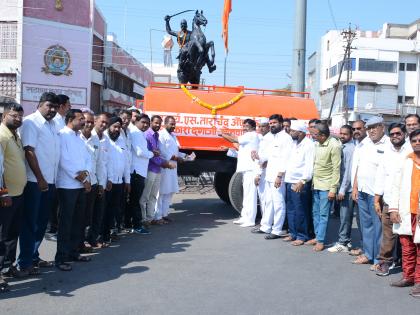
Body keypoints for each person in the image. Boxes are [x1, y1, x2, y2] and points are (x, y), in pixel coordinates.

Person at [17, 92, 60, 276]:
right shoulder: (30, 122)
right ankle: (25, 262)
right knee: (30, 223)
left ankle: (33, 256)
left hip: (50, 181)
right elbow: (29, 151)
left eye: (55, 107)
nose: (52, 110)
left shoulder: (52, 124)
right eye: (49, 105)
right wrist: (41, 178)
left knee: (42, 222)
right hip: (35, 182)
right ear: (39, 104)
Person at [55, 109, 92, 271]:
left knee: (78, 221)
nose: (84, 122)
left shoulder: (79, 138)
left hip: (80, 185)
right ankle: (61, 257)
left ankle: (73, 252)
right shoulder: (62, 135)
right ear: (70, 119)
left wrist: (87, 176)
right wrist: (82, 178)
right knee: (66, 223)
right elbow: (64, 160)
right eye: (81, 119)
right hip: (67, 185)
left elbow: (87, 159)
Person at [373, 123, 412, 276]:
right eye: (393, 134)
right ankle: (385, 262)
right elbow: (381, 176)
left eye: (398, 133)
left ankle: (408, 266)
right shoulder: (387, 153)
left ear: (405, 134)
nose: (395, 136)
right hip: (388, 200)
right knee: (388, 235)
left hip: (407, 202)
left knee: (407, 236)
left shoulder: (411, 151)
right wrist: (377, 199)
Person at [351, 116, 389, 267]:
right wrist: (355, 187)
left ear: (382, 127)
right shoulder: (364, 143)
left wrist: (379, 196)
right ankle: (368, 254)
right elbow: (359, 167)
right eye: (369, 127)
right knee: (366, 225)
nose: (372, 130)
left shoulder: (388, 144)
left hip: (377, 194)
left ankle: (379, 259)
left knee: (379, 227)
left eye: (375, 127)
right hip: (362, 190)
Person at [388, 129, 420, 298]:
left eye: (419, 140)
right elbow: (396, 186)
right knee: (407, 247)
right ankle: (408, 277)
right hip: (406, 212)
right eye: (414, 140)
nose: (417, 143)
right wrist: (393, 209)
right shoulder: (405, 161)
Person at [0, 101, 27, 290]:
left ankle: (7, 267)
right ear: (3, 115)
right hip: (6, 195)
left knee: (12, 233)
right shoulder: (1, 135)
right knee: (2, 235)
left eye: (20, 116)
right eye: (14, 115)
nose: (18, 119)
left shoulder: (15, 135)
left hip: (18, 193)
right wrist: (3, 193)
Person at [253, 114, 292, 238]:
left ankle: (277, 229)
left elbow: (286, 159)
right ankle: (266, 227)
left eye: (274, 123)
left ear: (281, 123)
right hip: (269, 174)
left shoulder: (286, 138)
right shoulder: (270, 137)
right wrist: (257, 157)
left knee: (278, 202)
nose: (272, 125)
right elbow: (267, 157)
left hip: (278, 176)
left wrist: (279, 176)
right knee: (268, 202)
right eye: (270, 123)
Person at [219, 119, 260, 227]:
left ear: (253, 127)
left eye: (247, 126)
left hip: (251, 170)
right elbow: (240, 154)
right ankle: (244, 217)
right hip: (245, 170)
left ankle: (250, 220)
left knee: (250, 196)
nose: (244, 127)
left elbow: (235, 139)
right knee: (246, 195)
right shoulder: (248, 137)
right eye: (243, 125)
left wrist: (222, 134)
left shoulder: (251, 135)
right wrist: (228, 149)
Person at [308, 122, 341, 251]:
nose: (313, 136)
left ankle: (321, 240)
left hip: (326, 186)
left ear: (323, 135)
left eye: (315, 134)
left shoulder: (334, 145)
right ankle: (317, 236)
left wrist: (333, 189)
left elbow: (336, 168)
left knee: (323, 214)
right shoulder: (317, 144)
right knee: (315, 212)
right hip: (315, 184)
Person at [154, 116, 191, 224]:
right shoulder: (161, 135)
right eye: (171, 124)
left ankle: (165, 214)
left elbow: (176, 151)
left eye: (174, 124)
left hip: (173, 167)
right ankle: (157, 216)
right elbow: (163, 152)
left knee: (169, 191)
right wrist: (176, 158)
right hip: (165, 166)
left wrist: (186, 156)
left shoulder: (173, 136)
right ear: (165, 124)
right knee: (161, 192)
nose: (173, 126)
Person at [283, 120, 314, 245]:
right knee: (291, 209)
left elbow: (309, 165)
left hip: (299, 182)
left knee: (300, 209)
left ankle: (302, 235)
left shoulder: (308, 145)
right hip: (289, 180)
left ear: (300, 132)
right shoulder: (294, 143)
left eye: (292, 130)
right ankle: (293, 233)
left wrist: (302, 181)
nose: (290, 132)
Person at [80, 110, 106, 250]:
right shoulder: (76, 137)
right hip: (79, 184)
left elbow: (100, 163)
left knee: (90, 215)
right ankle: (79, 242)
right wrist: (84, 181)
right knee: (80, 216)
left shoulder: (96, 139)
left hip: (94, 183)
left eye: (90, 121)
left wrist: (101, 184)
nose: (88, 124)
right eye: (86, 121)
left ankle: (88, 240)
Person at [140, 115, 174, 226]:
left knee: (154, 196)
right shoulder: (147, 135)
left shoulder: (157, 135)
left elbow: (157, 152)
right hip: (150, 169)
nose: (158, 125)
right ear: (151, 123)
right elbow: (151, 154)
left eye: (159, 123)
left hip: (157, 170)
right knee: (145, 196)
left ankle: (150, 218)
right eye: (155, 123)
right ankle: (143, 219)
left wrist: (162, 162)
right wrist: (164, 163)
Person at [103, 117, 131, 245]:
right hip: (107, 182)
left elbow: (126, 162)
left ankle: (109, 232)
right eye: (114, 126)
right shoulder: (104, 139)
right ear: (109, 126)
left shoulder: (121, 140)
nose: (117, 129)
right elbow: (103, 162)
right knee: (104, 210)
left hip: (119, 182)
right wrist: (108, 178)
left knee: (114, 209)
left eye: (119, 127)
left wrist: (128, 181)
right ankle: (101, 235)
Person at [328, 125, 355, 253]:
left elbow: (348, 171)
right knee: (345, 217)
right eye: (341, 133)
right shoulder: (342, 146)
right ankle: (347, 240)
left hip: (347, 189)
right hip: (343, 187)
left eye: (345, 134)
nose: (342, 136)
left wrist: (342, 190)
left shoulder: (349, 149)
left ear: (350, 135)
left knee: (345, 217)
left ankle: (343, 242)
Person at [128, 114, 154, 234]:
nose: (145, 125)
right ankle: (137, 225)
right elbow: (140, 152)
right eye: (143, 122)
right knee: (135, 200)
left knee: (134, 200)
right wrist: (152, 154)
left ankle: (130, 224)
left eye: (147, 124)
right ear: (136, 121)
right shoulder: (136, 133)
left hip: (139, 171)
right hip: (136, 171)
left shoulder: (139, 133)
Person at [90, 113, 110, 247]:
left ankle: (94, 239)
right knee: (89, 215)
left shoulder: (106, 138)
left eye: (106, 123)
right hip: (91, 182)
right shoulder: (89, 136)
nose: (103, 125)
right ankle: (87, 240)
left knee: (99, 213)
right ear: (95, 120)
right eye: (102, 122)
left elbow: (105, 162)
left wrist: (107, 180)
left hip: (102, 182)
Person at [253, 118, 272, 217]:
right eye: (259, 126)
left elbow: (265, 159)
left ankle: (266, 222)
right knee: (262, 197)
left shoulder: (269, 138)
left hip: (265, 172)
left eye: (263, 126)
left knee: (266, 198)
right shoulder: (262, 138)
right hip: (261, 171)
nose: (261, 128)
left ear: (268, 127)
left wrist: (259, 174)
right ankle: (264, 221)